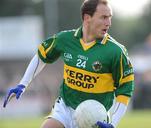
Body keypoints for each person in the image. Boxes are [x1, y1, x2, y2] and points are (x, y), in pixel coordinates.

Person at [3, 0, 134, 128]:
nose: (109, 23)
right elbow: (41, 56)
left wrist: (113, 124)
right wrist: (23, 84)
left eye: (110, 17)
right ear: (87, 18)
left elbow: (125, 89)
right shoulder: (65, 39)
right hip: (65, 108)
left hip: (94, 116)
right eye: (104, 17)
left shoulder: (116, 51)